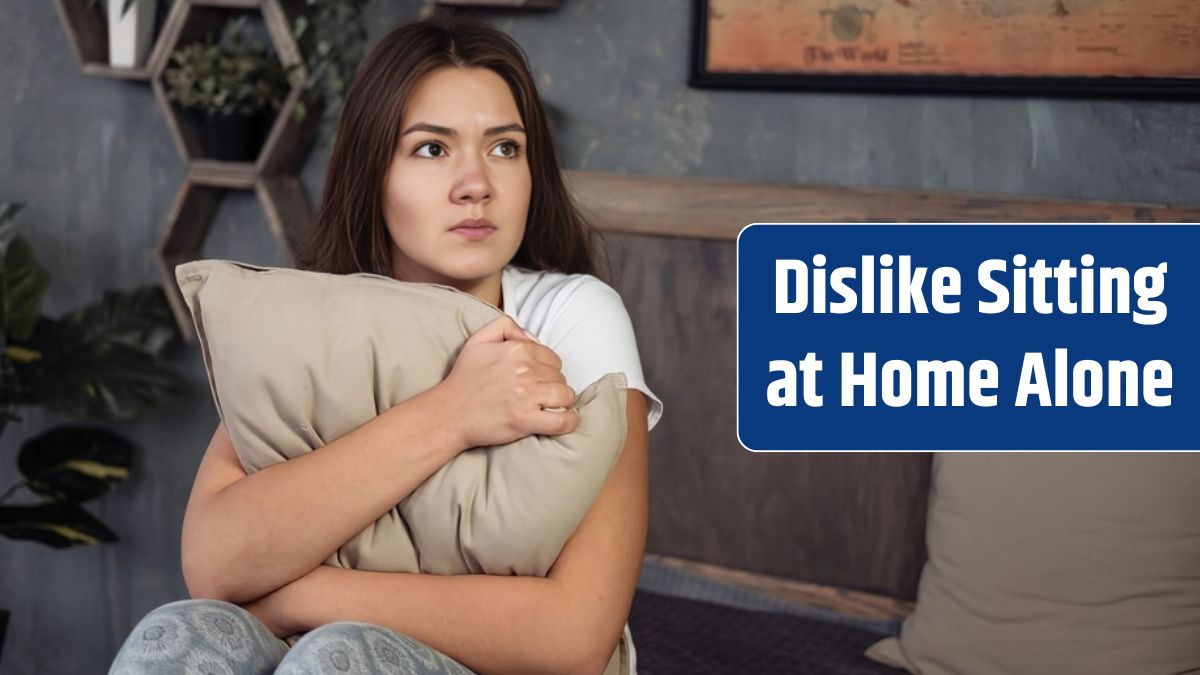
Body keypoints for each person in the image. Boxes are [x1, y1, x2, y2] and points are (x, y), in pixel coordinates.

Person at [109, 14, 662, 675]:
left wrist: (294, 595)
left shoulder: (575, 313)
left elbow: (572, 638)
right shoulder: (316, 318)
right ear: (374, 172)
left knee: (335, 658)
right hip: (307, 645)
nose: (476, 182)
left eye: (505, 148)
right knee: (172, 636)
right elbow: (216, 560)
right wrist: (454, 412)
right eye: (431, 149)